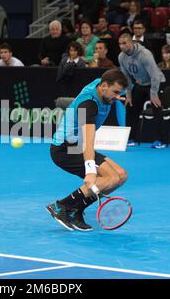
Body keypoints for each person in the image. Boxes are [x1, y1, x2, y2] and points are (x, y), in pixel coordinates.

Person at [46, 69, 129, 231]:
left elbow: (113, 79)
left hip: (75, 145)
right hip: (65, 149)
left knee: (121, 175)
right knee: (110, 178)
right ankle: (62, 206)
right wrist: (90, 171)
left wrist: (116, 95)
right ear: (103, 86)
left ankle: (76, 209)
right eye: (116, 92)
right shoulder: (88, 105)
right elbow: (88, 140)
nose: (117, 96)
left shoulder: (103, 85)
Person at [118, 33, 167, 149]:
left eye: (124, 43)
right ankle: (130, 138)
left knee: (157, 109)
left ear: (131, 43)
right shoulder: (121, 57)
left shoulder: (145, 55)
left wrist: (154, 94)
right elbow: (127, 78)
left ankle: (160, 140)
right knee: (130, 107)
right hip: (141, 83)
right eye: (120, 44)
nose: (122, 46)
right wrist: (128, 94)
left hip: (157, 82)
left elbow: (155, 75)